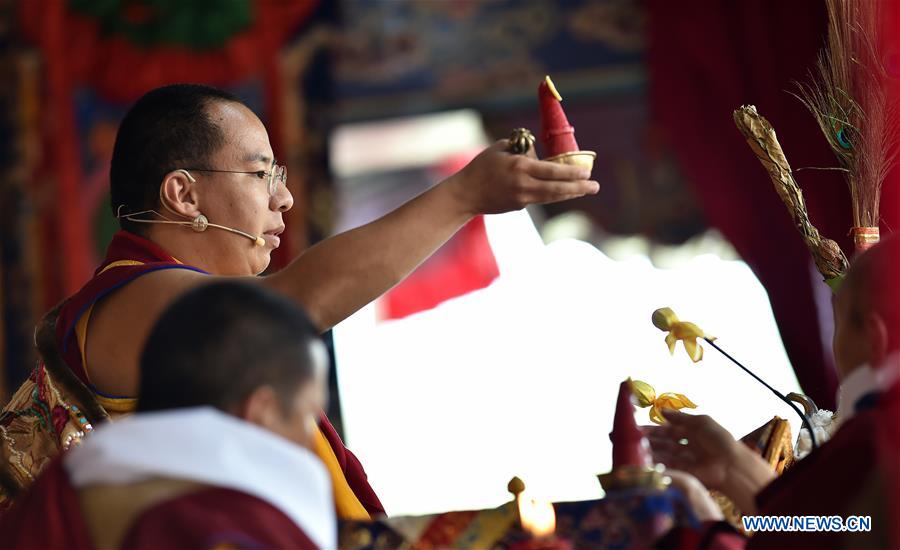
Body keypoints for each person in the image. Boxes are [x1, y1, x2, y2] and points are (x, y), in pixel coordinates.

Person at [0, 84, 598, 513]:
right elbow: (297, 302)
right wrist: (463, 195)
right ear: (184, 194)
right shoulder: (135, 295)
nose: (283, 199)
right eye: (262, 174)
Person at [0, 282, 341, 549]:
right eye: (307, 413)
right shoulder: (245, 530)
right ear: (262, 411)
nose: (312, 441)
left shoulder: (55, 495)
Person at [650, 235, 900, 548]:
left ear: (874, 338)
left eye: (839, 325)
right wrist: (734, 469)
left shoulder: (876, 437)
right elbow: (829, 529)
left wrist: (706, 528)